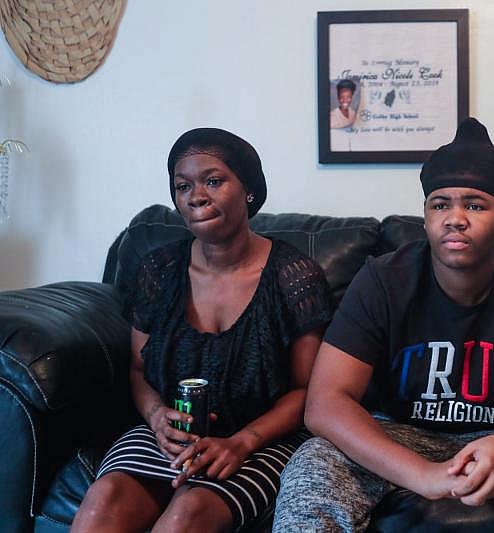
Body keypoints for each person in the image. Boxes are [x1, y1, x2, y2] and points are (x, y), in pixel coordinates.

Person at [273, 117, 494, 532]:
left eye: (475, 205)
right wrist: (422, 474)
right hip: (400, 436)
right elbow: (325, 403)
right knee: (313, 461)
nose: (455, 218)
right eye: (440, 204)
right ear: (425, 215)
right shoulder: (383, 280)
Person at [72, 128, 333, 532]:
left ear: (248, 189)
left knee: (184, 517)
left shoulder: (293, 277)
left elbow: (308, 392)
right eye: (183, 186)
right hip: (170, 434)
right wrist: (157, 416)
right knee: (101, 505)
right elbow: (140, 373)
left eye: (213, 180)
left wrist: (242, 441)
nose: (196, 196)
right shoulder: (159, 270)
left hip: (258, 440)